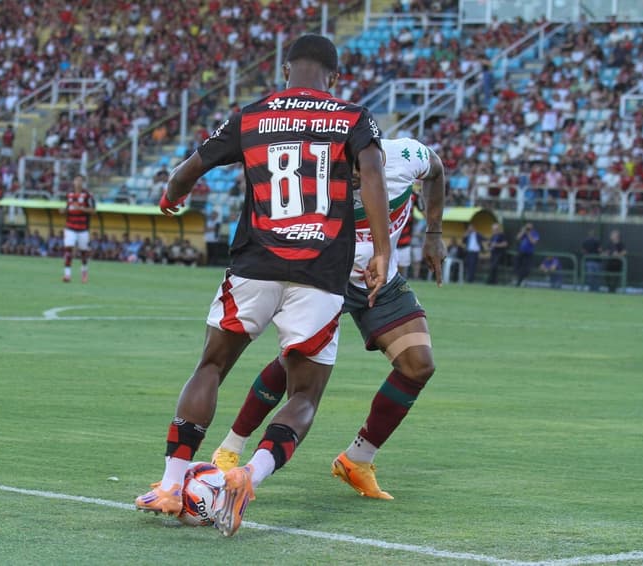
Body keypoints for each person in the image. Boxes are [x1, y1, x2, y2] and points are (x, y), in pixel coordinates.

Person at [133, 34, 391, 536]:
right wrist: (382, 250)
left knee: (211, 366)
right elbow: (373, 172)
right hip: (320, 273)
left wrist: (173, 193)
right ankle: (250, 474)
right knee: (304, 396)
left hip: (254, 264)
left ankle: (170, 484)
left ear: (286, 70)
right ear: (333, 77)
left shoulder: (253, 115)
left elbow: (191, 169)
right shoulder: (353, 117)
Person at [210, 138, 445, 500]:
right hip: (324, 281)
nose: (349, 180)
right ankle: (230, 447)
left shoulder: (409, 155)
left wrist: (433, 233)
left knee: (419, 365)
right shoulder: (316, 170)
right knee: (294, 364)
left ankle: (357, 459)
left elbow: (437, 171)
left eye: (355, 173)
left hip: (380, 281)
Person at [59, 174, 95, 283]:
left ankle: (84, 272)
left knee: (83, 252)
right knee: (68, 248)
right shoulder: (69, 195)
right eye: (76, 180)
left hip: (83, 228)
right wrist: (63, 211)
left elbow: (93, 210)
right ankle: (67, 275)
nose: (78, 182)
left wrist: (81, 208)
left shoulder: (88, 195)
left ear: (83, 182)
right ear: (73, 182)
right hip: (70, 227)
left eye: (80, 180)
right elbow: (67, 208)